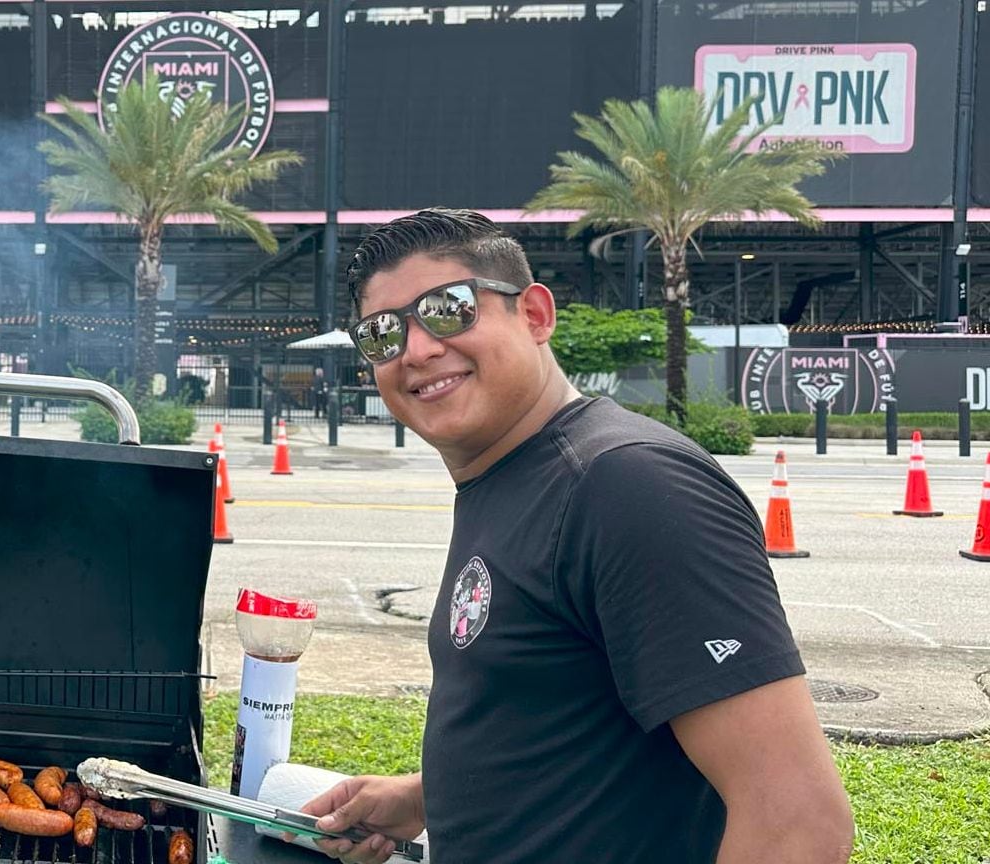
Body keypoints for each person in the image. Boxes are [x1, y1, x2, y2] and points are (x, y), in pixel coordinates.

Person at [298, 209, 853, 863]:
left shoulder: (628, 486)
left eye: (449, 308)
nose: (416, 349)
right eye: (382, 333)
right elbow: (572, 721)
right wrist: (423, 798)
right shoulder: (508, 475)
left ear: (533, 315)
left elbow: (796, 819)